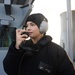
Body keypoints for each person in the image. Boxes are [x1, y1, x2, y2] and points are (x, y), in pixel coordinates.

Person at [3, 13, 75, 75]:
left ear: (43, 27)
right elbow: (9, 70)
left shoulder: (56, 51)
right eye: (27, 25)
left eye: (32, 24)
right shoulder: (21, 48)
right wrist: (16, 47)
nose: (28, 28)